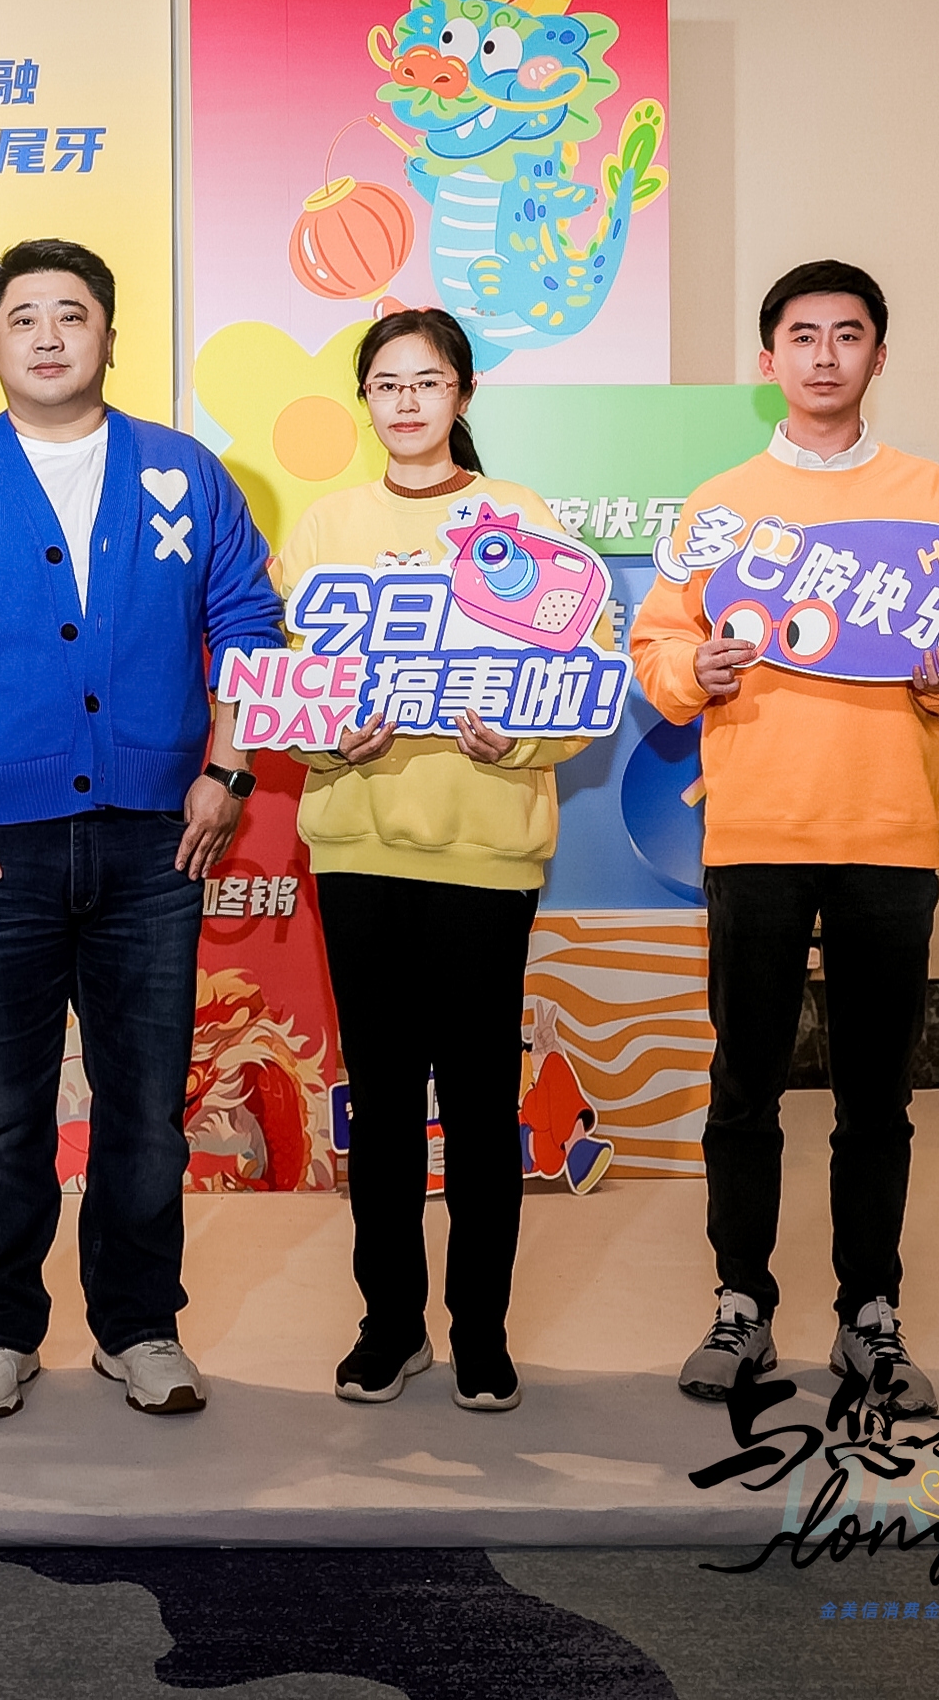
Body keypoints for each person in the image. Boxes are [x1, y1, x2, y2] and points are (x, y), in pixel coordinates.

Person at [0, 237, 284, 1420]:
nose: (47, 335)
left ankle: (138, 1327)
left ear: (108, 335)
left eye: (71, 313)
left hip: (155, 839)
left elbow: (248, 621)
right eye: (23, 317)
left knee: (145, 1106)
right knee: (3, 1111)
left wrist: (228, 768)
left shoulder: (183, 470)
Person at [633, 260, 939, 1414]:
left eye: (847, 334)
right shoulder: (720, 502)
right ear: (767, 358)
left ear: (878, 355)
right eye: (802, 334)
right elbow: (657, 646)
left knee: (874, 1095)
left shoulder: (928, 493)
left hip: (890, 829)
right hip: (756, 828)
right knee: (743, 1083)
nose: (824, 354)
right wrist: (695, 666)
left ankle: (868, 1315)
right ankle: (740, 1302)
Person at [275, 309, 610, 1415]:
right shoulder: (327, 526)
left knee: (476, 1102)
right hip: (358, 847)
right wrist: (331, 737)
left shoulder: (522, 519)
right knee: (379, 1103)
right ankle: (390, 1325)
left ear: (463, 393)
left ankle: (481, 1331)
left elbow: (587, 677)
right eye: (386, 383)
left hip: (485, 851)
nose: (407, 400)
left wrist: (524, 740)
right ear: (365, 401)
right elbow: (280, 683)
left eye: (428, 380)